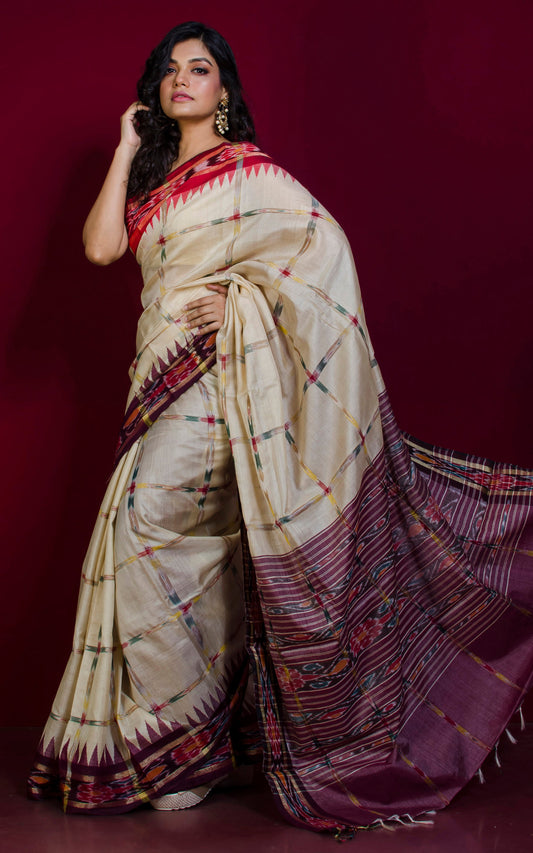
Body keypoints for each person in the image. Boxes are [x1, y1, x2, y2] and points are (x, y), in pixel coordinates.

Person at [28, 21, 533, 837]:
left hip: (217, 383)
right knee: (194, 550)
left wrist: (242, 304)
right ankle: (198, 739)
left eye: (200, 69)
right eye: (169, 71)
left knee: (148, 527)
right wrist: (126, 147)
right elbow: (99, 248)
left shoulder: (250, 175)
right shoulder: (158, 180)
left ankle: (179, 745)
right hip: (154, 386)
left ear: (224, 92)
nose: (182, 80)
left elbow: (322, 256)